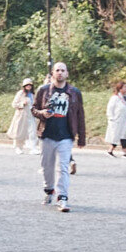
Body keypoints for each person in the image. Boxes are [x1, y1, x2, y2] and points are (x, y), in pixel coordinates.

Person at [32, 61, 86, 212]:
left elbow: (80, 115)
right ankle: (49, 190)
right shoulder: (43, 90)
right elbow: (34, 109)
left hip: (66, 136)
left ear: (67, 73)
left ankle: (62, 197)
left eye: (63, 70)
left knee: (62, 167)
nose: (60, 73)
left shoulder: (74, 92)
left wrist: (81, 137)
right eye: (57, 70)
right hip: (47, 134)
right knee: (46, 167)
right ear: (52, 73)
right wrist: (42, 113)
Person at [7, 78, 37, 154]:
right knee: (19, 132)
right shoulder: (20, 93)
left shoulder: (33, 94)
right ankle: (18, 147)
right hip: (21, 116)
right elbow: (14, 104)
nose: (28, 86)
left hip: (31, 115)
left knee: (32, 132)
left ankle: (33, 148)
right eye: (27, 85)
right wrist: (22, 104)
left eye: (30, 85)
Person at [105, 81, 126, 157]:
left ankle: (124, 152)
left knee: (125, 135)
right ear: (120, 89)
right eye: (125, 87)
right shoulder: (115, 98)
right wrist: (111, 118)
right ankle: (111, 151)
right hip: (117, 120)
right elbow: (110, 109)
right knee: (116, 136)